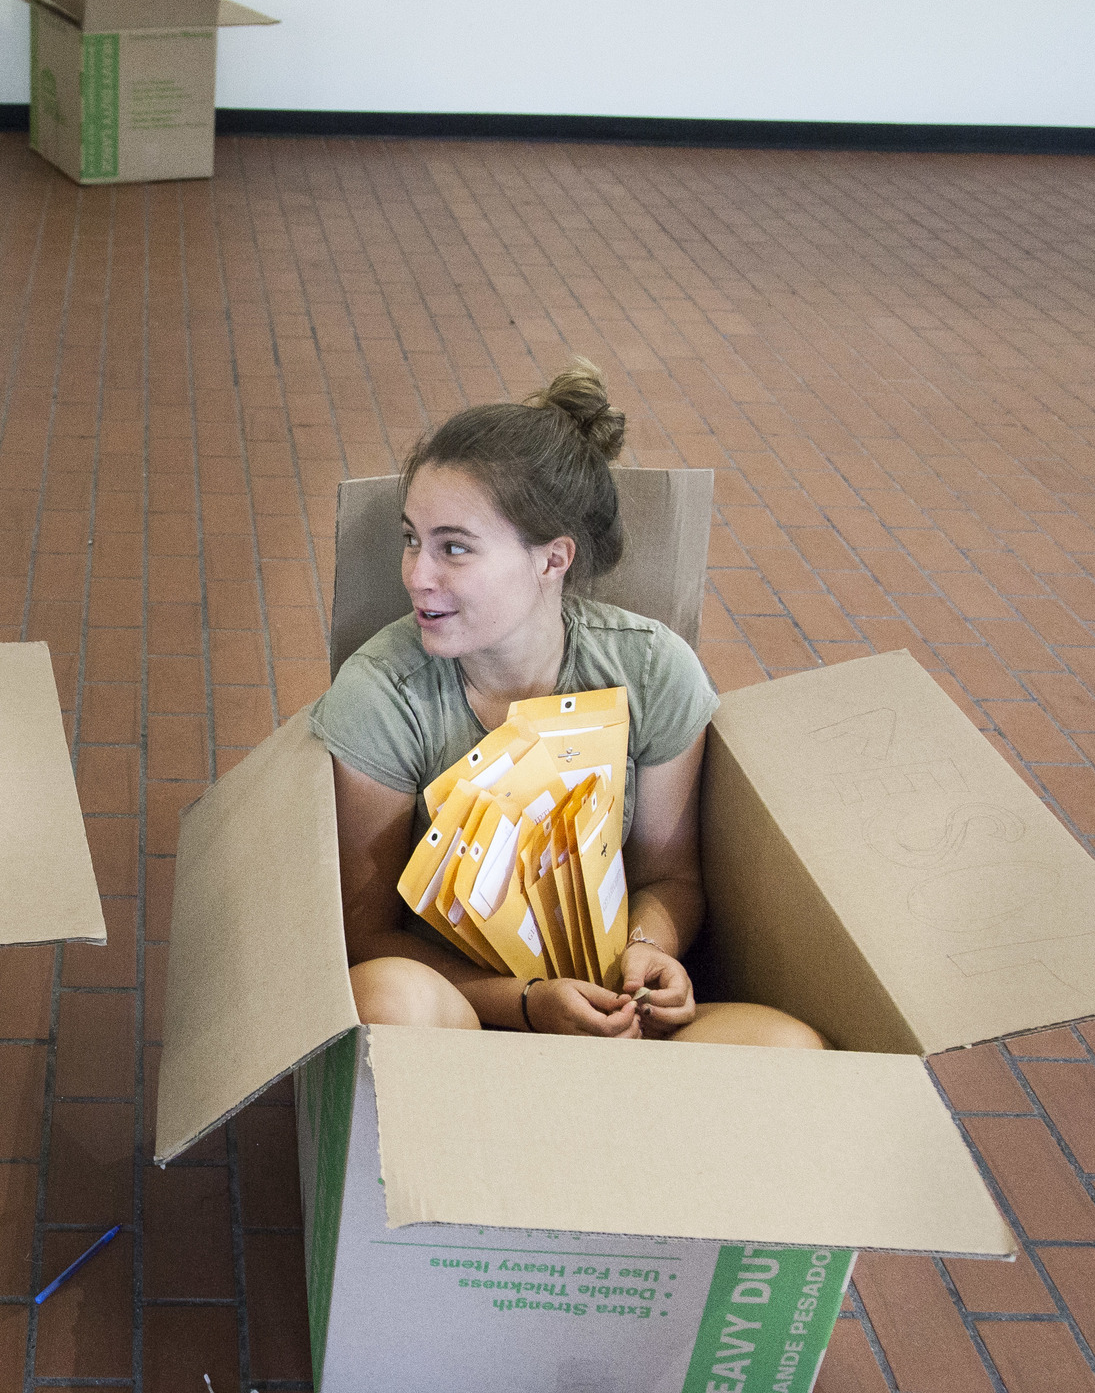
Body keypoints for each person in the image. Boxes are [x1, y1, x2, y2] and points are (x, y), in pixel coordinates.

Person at [310, 360, 824, 1048]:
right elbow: (365, 938)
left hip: (614, 1010)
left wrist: (650, 952)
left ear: (552, 559)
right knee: (384, 998)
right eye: (411, 540)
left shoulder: (651, 669)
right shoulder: (382, 695)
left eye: (453, 548)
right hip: (466, 1017)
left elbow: (671, 874)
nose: (416, 575)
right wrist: (524, 1003)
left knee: (789, 1046)